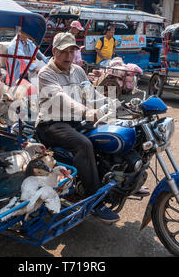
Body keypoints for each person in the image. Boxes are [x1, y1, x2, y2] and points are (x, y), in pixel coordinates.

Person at [35, 32, 120, 223]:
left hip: (74, 120)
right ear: (55, 52)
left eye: (72, 51)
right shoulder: (46, 73)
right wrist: (85, 111)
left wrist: (112, 103)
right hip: (51, 124)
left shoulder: (78, 70)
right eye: (64, 52)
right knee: (84, 144)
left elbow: (91, 94)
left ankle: (121, 180)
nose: (68, 56)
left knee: (108, 132)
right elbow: (59, 97)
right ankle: (94, 202)